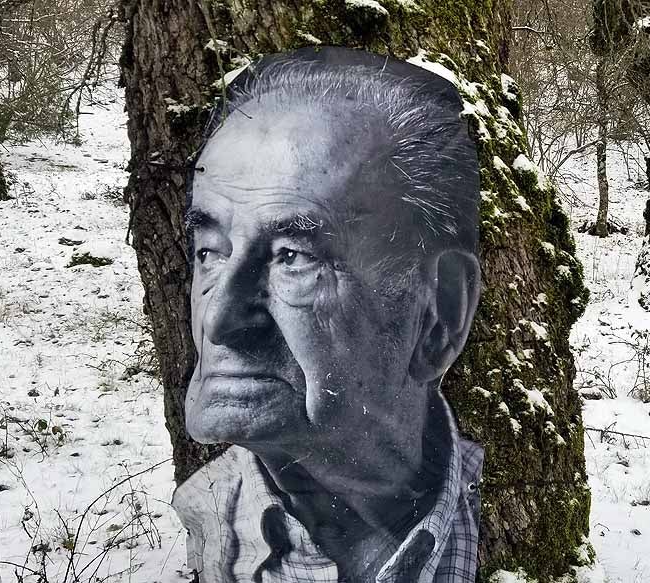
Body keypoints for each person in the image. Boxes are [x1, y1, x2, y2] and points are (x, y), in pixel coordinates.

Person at [171, 46, 484, 583]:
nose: (219, 321)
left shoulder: (509, 520)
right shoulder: (208, 524)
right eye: (210, 252)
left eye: (294, 258)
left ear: (440, 312)